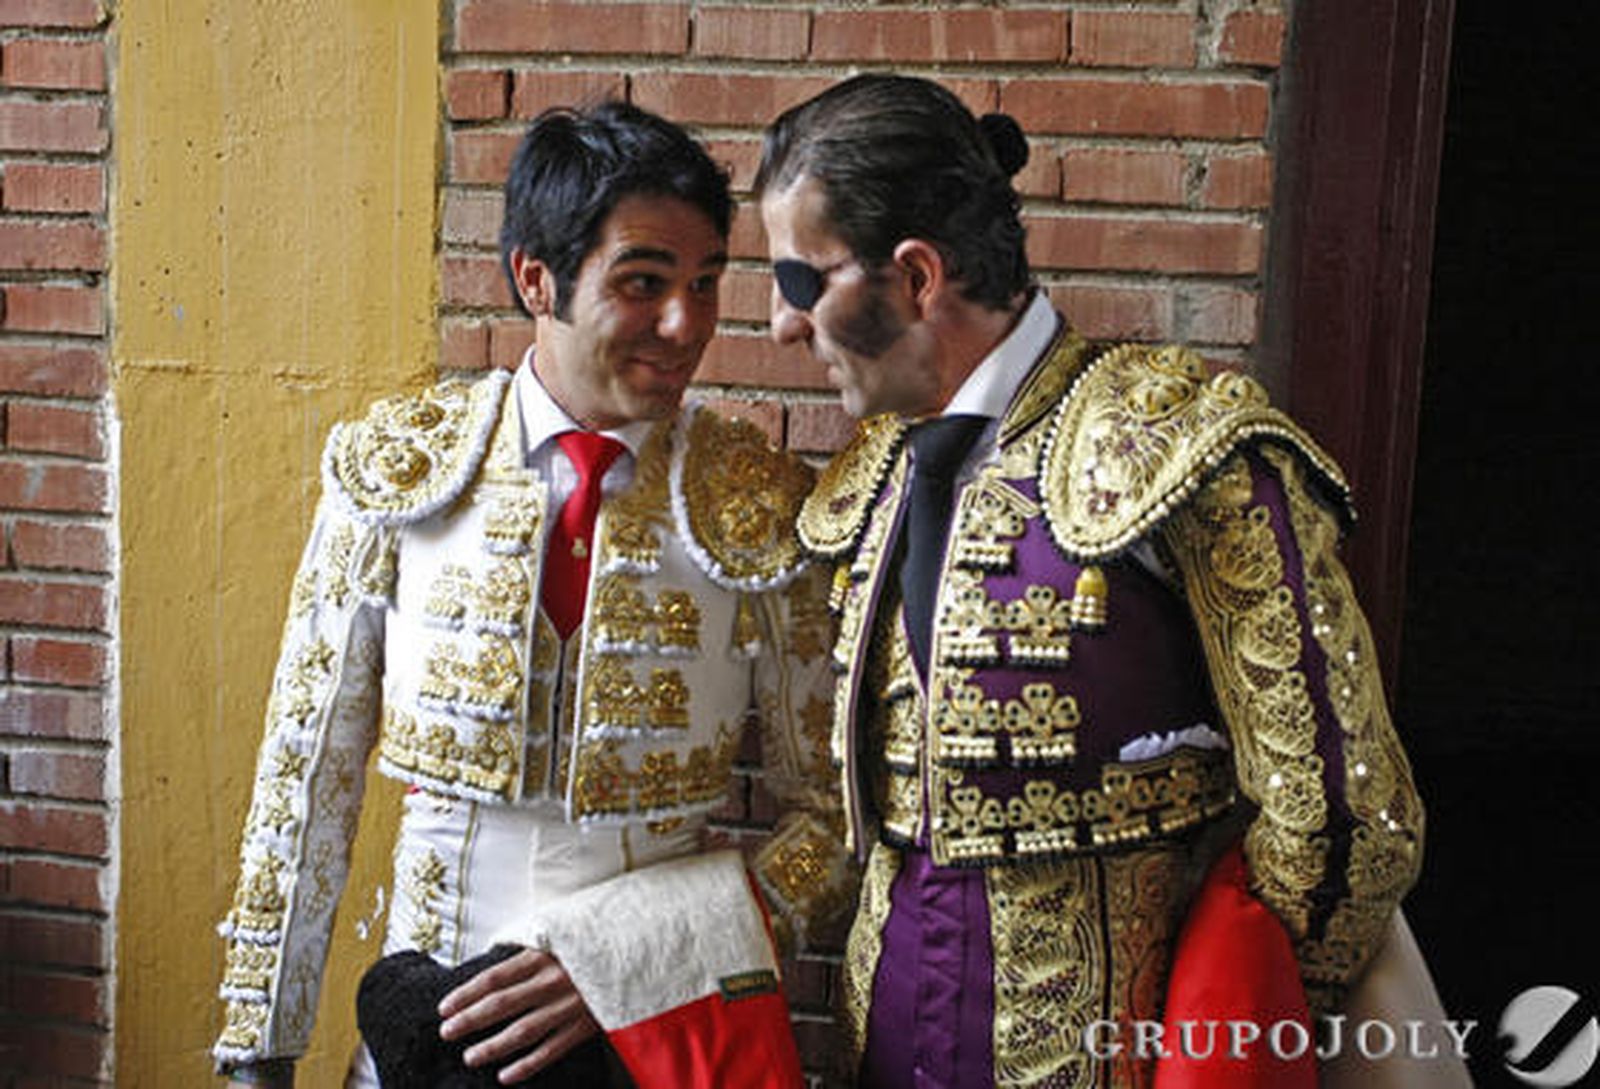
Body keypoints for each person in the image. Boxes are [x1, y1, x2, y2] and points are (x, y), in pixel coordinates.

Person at [755, 74, 1430, 1087]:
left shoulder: (1181, 448)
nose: (780, 324)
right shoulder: (875, 474)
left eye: (802, 283)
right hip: (887, 1040)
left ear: (916, 276)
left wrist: (1232, 1026)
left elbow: (1339, 813)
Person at [212, 100, 851, 1088]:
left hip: (659, 1034)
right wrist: (260, 1047)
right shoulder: (398, 470)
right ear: (534, 278)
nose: (685, 326)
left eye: (705, 285)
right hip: (427, 1024)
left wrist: (628, 959)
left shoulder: (759, 504)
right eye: (643, 284)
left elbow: (834, 821)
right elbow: (308, 781)